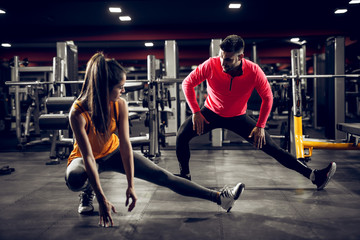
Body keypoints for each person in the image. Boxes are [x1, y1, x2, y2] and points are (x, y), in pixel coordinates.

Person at [65, 52, 245, 228]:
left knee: (163, 176)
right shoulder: (78, 112)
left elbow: (126, 145)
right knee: (76, 177)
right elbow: (88, 156)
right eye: (120, 87)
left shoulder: (119, 105)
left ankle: (221, 198)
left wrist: (130, 185)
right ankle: (87, 192)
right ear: (105, 87)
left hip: (113, 152)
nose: (124, 90)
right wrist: (102, 199)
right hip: (83, 159)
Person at [176, 35, 336, 190]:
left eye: (228, 59)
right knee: (181, 136)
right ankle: (185, 177)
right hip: (210, 113)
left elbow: (268, 98)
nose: (223, 63)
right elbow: (187, 83)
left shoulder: (253, 71)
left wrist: (260, 126)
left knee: (272, 148)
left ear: (240, 57)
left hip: (238, 117)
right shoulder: (211, 64)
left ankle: (315, 176)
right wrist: (196, 112)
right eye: (221, 57)